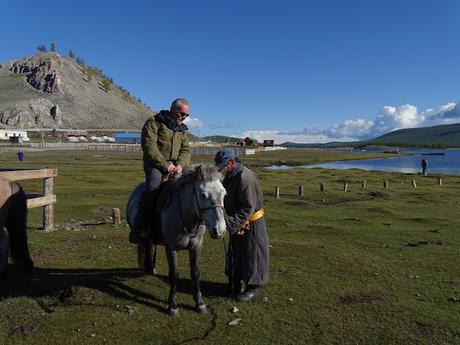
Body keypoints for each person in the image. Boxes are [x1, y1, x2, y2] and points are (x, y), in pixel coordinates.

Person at [134, 98, 191, 273]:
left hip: (176, 167)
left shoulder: (182, 130)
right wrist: (164, 165)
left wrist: (181, 164)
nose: (184, 117)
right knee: (152, 190)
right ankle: (142, 228)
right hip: (156, 166)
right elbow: (149, 146)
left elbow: (186, 150)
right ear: (173, 110)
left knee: (188, 191)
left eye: (187, 115)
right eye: (182, 113)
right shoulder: (154, 122)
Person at [215, 148, 269, 302]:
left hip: (251, 223)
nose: (220, 169)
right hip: (238, 221)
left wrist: (228, 223)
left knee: (253, 253)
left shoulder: (245, 177)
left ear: (231, 163)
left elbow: (248, 207)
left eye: (223, 166)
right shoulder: (230, 175)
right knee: (236, 254)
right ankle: (235, 282)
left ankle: (253, 286)